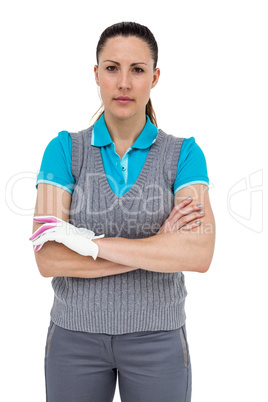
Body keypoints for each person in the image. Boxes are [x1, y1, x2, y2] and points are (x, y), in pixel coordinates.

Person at [30, 21, 216, 402]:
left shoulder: (184, 154)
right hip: (73, 339)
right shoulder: (65, 150)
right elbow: (47, 256)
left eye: (137, 70)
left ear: (155, 77)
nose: (124, 83)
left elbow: (198, 253)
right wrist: (159, 246)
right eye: (112, 68)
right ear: (96, 74)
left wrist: (84, 245)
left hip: (158, 341)